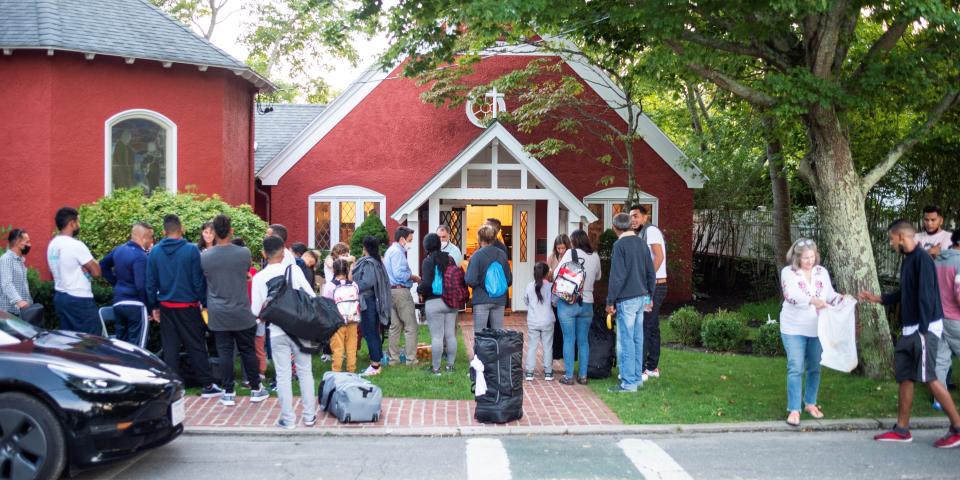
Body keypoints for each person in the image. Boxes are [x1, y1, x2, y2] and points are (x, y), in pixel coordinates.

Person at [859, 220, 960, 447]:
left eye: (891, 239)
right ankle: (902, 429)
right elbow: (906, 291)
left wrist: (923, 331)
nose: (891, 243)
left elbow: (927, 296)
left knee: (929, 378)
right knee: (905, 376)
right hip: (910, 329)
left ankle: (957, 427)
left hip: (923, 329)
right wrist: (879, 299)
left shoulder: (922, 260)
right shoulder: (909, 260)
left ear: (902, 237)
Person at [146, 214, 222, 398]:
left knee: (170, 347)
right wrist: (204, 303)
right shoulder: (190, 250)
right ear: (182, 229)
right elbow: (198, 281)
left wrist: (153, 306)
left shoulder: (155, 251)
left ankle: (173, 387)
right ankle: (207, 385)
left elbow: (150, 282)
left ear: (164, 231)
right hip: (187, 305)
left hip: (165, 305)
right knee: (195, 345)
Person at [202, 215, 268, 407]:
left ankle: (228, 392)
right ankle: (256, 389)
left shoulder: (205, 256)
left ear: (213, 232)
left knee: (224, 352)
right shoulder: (243, 253)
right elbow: (246, 272)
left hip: (218, 312)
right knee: (248, 350)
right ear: (231, 231)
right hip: (241, 310)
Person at [251, 236, 317, 429]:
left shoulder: (259, 278)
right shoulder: (294, 270)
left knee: (282, 375)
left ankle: (288, 419)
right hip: (300, 329)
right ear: (283, 252)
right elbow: (311, 296)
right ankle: (309, 416)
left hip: (277, 330)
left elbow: (256, 311)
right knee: (305, 372)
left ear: (264, 254)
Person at [779, 238, 842, 426]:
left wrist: (841, 299)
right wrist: (812, 300)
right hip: (793, 328)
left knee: (815, 367)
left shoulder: (821, 272)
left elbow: (829, 294)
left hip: (817, 328)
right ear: (797, 257)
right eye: (805, 258)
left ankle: (810, 403)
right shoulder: (788, 272)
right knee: (796, 367)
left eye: (812, 257)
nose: (809, 261)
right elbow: (790, 295)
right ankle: (794, 409)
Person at [605, 213, 655, 393]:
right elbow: (651, 273)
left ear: (615, 227)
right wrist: (649, 297)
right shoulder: (642, 243)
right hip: (642, 298)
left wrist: (610, 301)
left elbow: (617, 276)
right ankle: (636, 379)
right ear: (631, 225)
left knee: (627, 341)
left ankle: (628, 384)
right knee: (637, 339)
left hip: (626, 299)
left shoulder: (619, 245)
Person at [553, 230, 601, 386]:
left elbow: (556, 274)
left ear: (573, 241)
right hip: (587, 302)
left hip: (569, 301)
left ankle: (568, 376)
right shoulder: (595, 255)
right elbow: (598, 276)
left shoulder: (569, 253)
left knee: (569, 338)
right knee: (583, 341)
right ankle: (583, 376)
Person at [47, 207, 102, 334]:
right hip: (79, 298)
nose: (79, 225)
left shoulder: (53, 245)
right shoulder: (75, 245)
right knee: (92, 341)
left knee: (70, 341)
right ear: (72, 223)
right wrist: (91, 265)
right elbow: (97, 272)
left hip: (61, 296)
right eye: (78, 221)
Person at [99, 222, 153, 345]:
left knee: (122, 346)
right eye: (150, 237)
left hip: (119, 304)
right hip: (136, 305)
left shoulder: (119, 250)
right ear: (143, 238)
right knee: (137, 348)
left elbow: (103, 265)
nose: (151, 240)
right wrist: (149, 307)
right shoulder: (141, 256)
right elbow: (140, 285)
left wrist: (116, 283)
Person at [630, 205, 668, 381]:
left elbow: (658, 256)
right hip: (654, 286)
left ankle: (644, 368)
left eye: (636, 216)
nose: (633, 220)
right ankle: (652, 367)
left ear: (646, 217)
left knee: (645, 325)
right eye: (631, 217)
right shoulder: (643, 233)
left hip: (654, 286)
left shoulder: (651, 231)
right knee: (652, 327)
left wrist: (647, 280)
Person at [417, 233, 459, 375]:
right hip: (451, 301)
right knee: (450, 335)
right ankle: (450, 366)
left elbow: (427, 283)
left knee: (437, 336)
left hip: (434, 301)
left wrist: (419, 289)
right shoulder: (450, 258)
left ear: (427, 246)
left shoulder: (428, 260)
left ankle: (436, 369)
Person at [352, 236, 393, 376]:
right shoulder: (377, 262)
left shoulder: (369, 263)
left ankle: (375, 366)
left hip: (368, 302)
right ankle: (377, 361)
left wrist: (352, 285)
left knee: (370, 333)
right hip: (373, 301)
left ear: (365, 248)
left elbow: (367, 282)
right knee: (373, 332)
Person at [384, 226, 421, 366]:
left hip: (390, 291)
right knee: (411, 326)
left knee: (395, 326)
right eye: (410, 240)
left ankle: (394, 359)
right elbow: (400, 274)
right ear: (402, 239)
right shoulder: (398, 252)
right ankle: (411, 360)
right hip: (401, 291)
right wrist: (413, 277)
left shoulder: (389, 251)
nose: (410, 243)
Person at [465, 225, 512, 332]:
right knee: (498, 333)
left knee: (480, 333)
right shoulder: (502, 254)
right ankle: (497, 349)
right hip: (499, 299)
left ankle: (482, 350)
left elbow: (470, 280)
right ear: (494, 238)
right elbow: (508, 279)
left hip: (481, 299)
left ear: (479, 238)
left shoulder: (477, 255)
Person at [933, 231, 960, 408]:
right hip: (956, 320)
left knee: (941, 360)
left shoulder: (937, 261)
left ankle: (939, 400)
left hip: (937, 318)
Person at [323, 259, 361, 373]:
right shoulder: (353, 284)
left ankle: (336, 371)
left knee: (337, 348)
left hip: (337, 321)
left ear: (334, 270)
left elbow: (326, 304)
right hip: (352, 319)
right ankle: (351, 370)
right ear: (347, 270)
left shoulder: (330, 286)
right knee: (351, 347)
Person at [524, 262, 555, 381]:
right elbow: (554, 302)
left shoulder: (529, 286)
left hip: (533, 320)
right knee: (548, 346)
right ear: (547, 273)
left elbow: (526, 301)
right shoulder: (551, 286)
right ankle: (548, 372)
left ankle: (529, 372)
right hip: (547, 320)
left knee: (532, 346)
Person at [0, 228, 33, 316]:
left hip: (20, 312)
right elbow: (6, 284)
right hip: (9, 313)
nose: (30, 245)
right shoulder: (6, 259)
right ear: (18, 242)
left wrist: (28, 302)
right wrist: (19, 301)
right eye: (27, 242)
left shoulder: (19, 260)